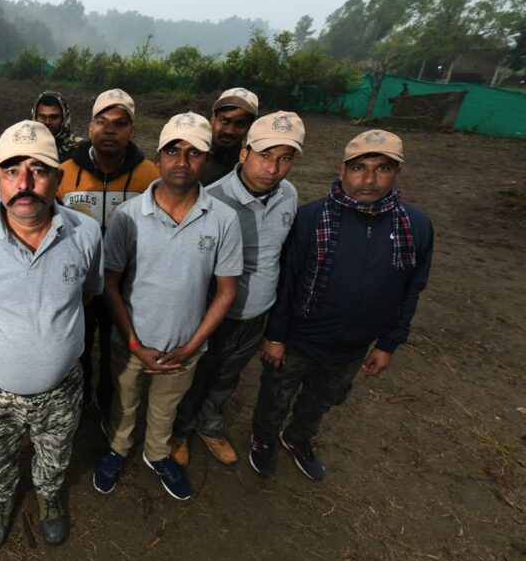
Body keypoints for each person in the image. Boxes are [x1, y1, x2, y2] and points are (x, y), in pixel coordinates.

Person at [0, 121, 102, 550]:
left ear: (59, 176)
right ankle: (1, 498)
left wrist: (49, 338)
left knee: (55, 454)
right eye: (12, 169)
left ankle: (50, 498)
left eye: (39, 169)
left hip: (61, 388)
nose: (25, 182)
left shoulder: (85, 234)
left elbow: (87, 293)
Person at [249, 129, 433, 480]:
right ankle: (264, 439)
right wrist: (275, 335)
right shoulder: (311, 218)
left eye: (382, 169)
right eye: (359, 167)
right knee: (276, 395)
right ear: (342, 170)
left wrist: (389, 342)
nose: (369, 179)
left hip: (353, 346)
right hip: (301, 338)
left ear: (396, 173)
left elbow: (412, 288)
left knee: (323, 399)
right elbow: (287, 279)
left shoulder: (416, 226)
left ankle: (298, 438)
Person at [92, 113, 242, 501]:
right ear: (158, 156)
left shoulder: (223, 219)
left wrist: (191, 347)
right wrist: (133, 343)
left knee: (165, 408)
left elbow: (225, 290)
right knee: (124, 405)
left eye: (194, 153)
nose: (182, 160)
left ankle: (156, 453)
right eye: (173, 150)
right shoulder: (128, 217)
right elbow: (110, 284)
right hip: (130, 343)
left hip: (184, 347)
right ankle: (119, 448)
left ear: (206, 160)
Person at [170, 112, 304, 467]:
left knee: (229, 375)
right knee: (196, 374)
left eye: (284, 158)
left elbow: (283, 257)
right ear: (244, 153)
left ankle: (209, 425)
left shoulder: (289, 196)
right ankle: (180, 429)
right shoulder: (210, 201)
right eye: (264, 155)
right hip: (214, 312)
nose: (272, 169)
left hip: (258, 311)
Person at [56, 88, 160, 425]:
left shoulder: (150, 176)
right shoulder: (63, 172)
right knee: (79, 346)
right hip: (78, 285)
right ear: (89, 128)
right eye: (102, 122)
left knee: (117, 349)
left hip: (125, 286)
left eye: (120, 123)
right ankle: (82, 395)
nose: (110, 130)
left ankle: (106, 400)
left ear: (132, 130)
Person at [202, 87, 259, 186]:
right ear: (213, 119)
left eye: (240, 124)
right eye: (224, 121)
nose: (229, 131)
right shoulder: (191, 157)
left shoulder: (249, 168)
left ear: (250, 127)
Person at [32, 90, 85, 162]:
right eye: (42, 117)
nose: (47, 122)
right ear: (35, 117)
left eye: (53, 117)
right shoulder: (26, 146)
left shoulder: (80, 148)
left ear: (64, 118)